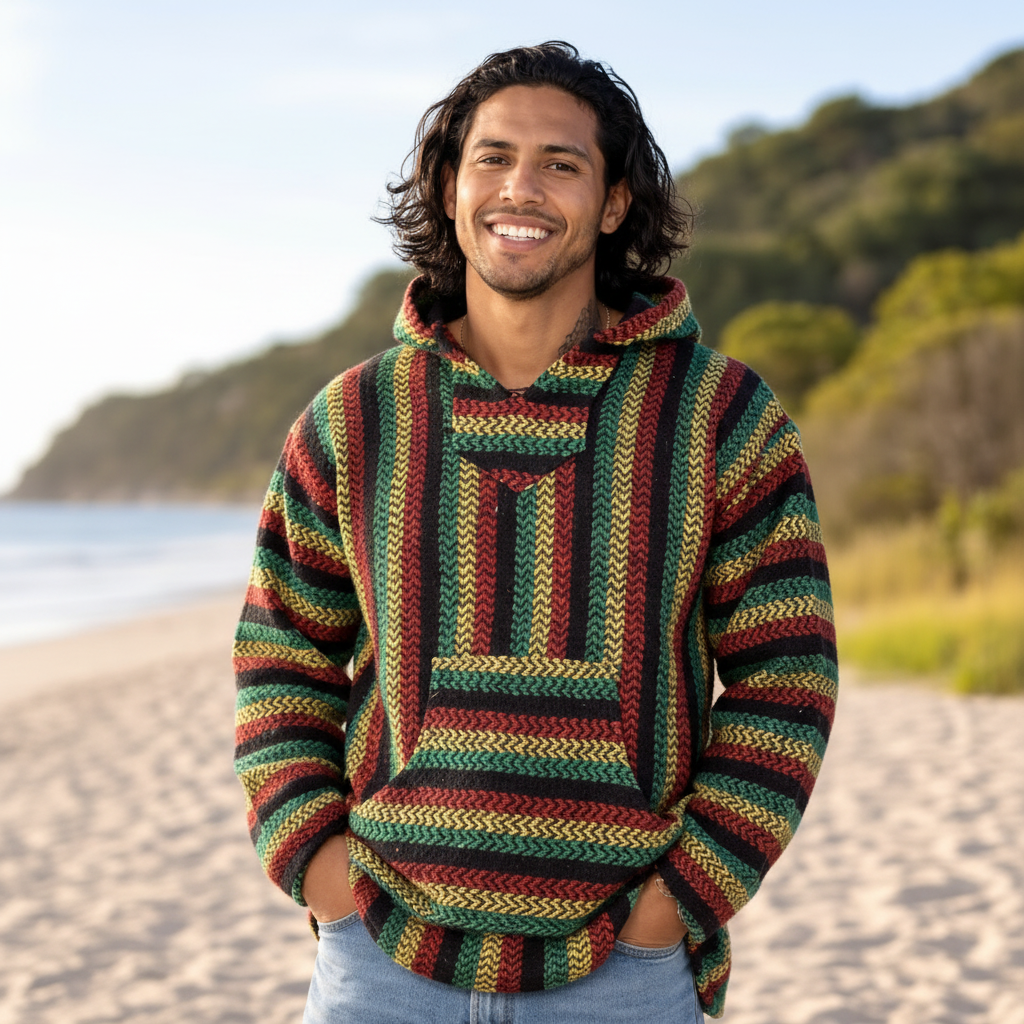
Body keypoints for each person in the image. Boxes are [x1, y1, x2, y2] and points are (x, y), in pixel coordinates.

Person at [233, 41, 837, 1023]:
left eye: (560, 163)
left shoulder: (719, 416)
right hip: (380, 963)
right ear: (449, 183)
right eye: (492, 157)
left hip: (627, 972)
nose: (521, 187)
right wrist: (316, 864)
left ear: (611, 204)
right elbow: (281, 652)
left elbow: (788, 674)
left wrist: (674, 903)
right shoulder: (354, 418)